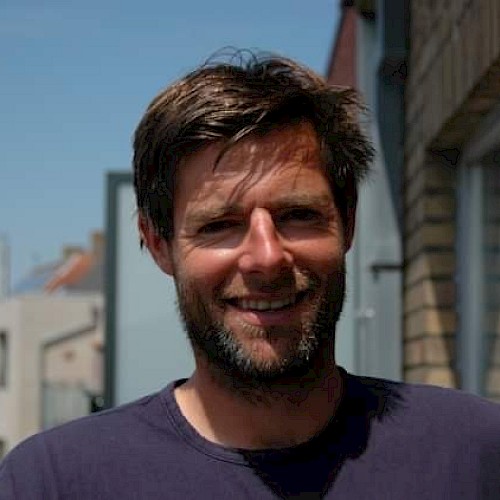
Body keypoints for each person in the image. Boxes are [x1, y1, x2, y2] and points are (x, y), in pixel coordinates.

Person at [1, 51, 500, 500]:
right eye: (220, 225)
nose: (266, 258)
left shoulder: (475, 454)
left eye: (298, 215)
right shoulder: (52, 482)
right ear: (159, 246)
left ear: (347, 224)